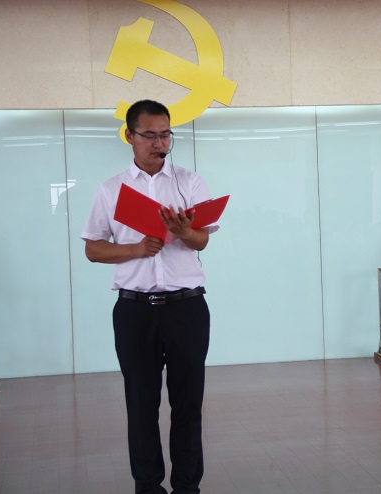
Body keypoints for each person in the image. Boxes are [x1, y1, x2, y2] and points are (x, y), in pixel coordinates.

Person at [82, 99, 217, 494]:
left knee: (188, 403)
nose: (160, 143)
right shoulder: (111, 190)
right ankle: (147, 485)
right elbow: (93, 249)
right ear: (130, 136)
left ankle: (188, 486)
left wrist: (184, 231)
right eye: (151, 135)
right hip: (135, 310)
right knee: (141, 404)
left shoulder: (190, 182)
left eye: (166, 135)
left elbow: (202, 241)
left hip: (187, 306)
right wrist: (135, 249)